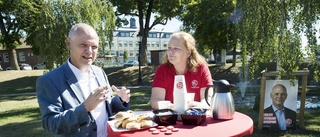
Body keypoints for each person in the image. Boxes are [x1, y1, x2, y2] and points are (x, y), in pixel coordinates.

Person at [36, 23, 131, 137]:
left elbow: (105, 107)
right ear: (68, 43)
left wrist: (120, 100)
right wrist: (85, 108)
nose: (89, 51)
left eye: (94, 47)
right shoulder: (49, 81)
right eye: (83, 45)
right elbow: (51, 124)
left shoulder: (99, 72)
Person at [150, 31, 213, 110]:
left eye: (176, 48)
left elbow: (208, 99)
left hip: (194, 119)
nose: (170, 52)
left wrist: (196, 106)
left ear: (188, 53)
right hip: (170, 119)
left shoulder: (201, 69)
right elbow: (155, 100)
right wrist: (173, 107)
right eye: (169, 47)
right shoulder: (162, 70)